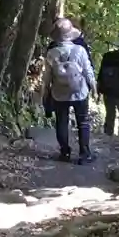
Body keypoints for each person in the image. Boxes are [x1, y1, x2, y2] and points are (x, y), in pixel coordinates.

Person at [41, 17, 97, 163]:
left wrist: (45, 91)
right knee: (83, 122)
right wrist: (94, 88)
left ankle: (65, 152)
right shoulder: (80, 50)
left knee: (61, 121)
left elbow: (47, 77)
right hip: (80, 92)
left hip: (59, 93)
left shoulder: (52, 53)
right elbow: (88, 71)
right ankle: (84, 154)